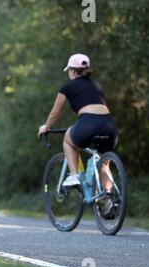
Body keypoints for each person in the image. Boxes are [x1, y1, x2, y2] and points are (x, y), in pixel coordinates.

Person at [38, 54, 118, 187]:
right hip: (110, 127)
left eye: (69, 70)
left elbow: (55, 113)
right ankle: (107, 200)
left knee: (68, 140)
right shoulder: (96, 85)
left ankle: (74, 175)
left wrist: (46, 127)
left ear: (73, 71)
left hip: (88, 124)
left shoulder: (68, 86)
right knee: (104, 165)